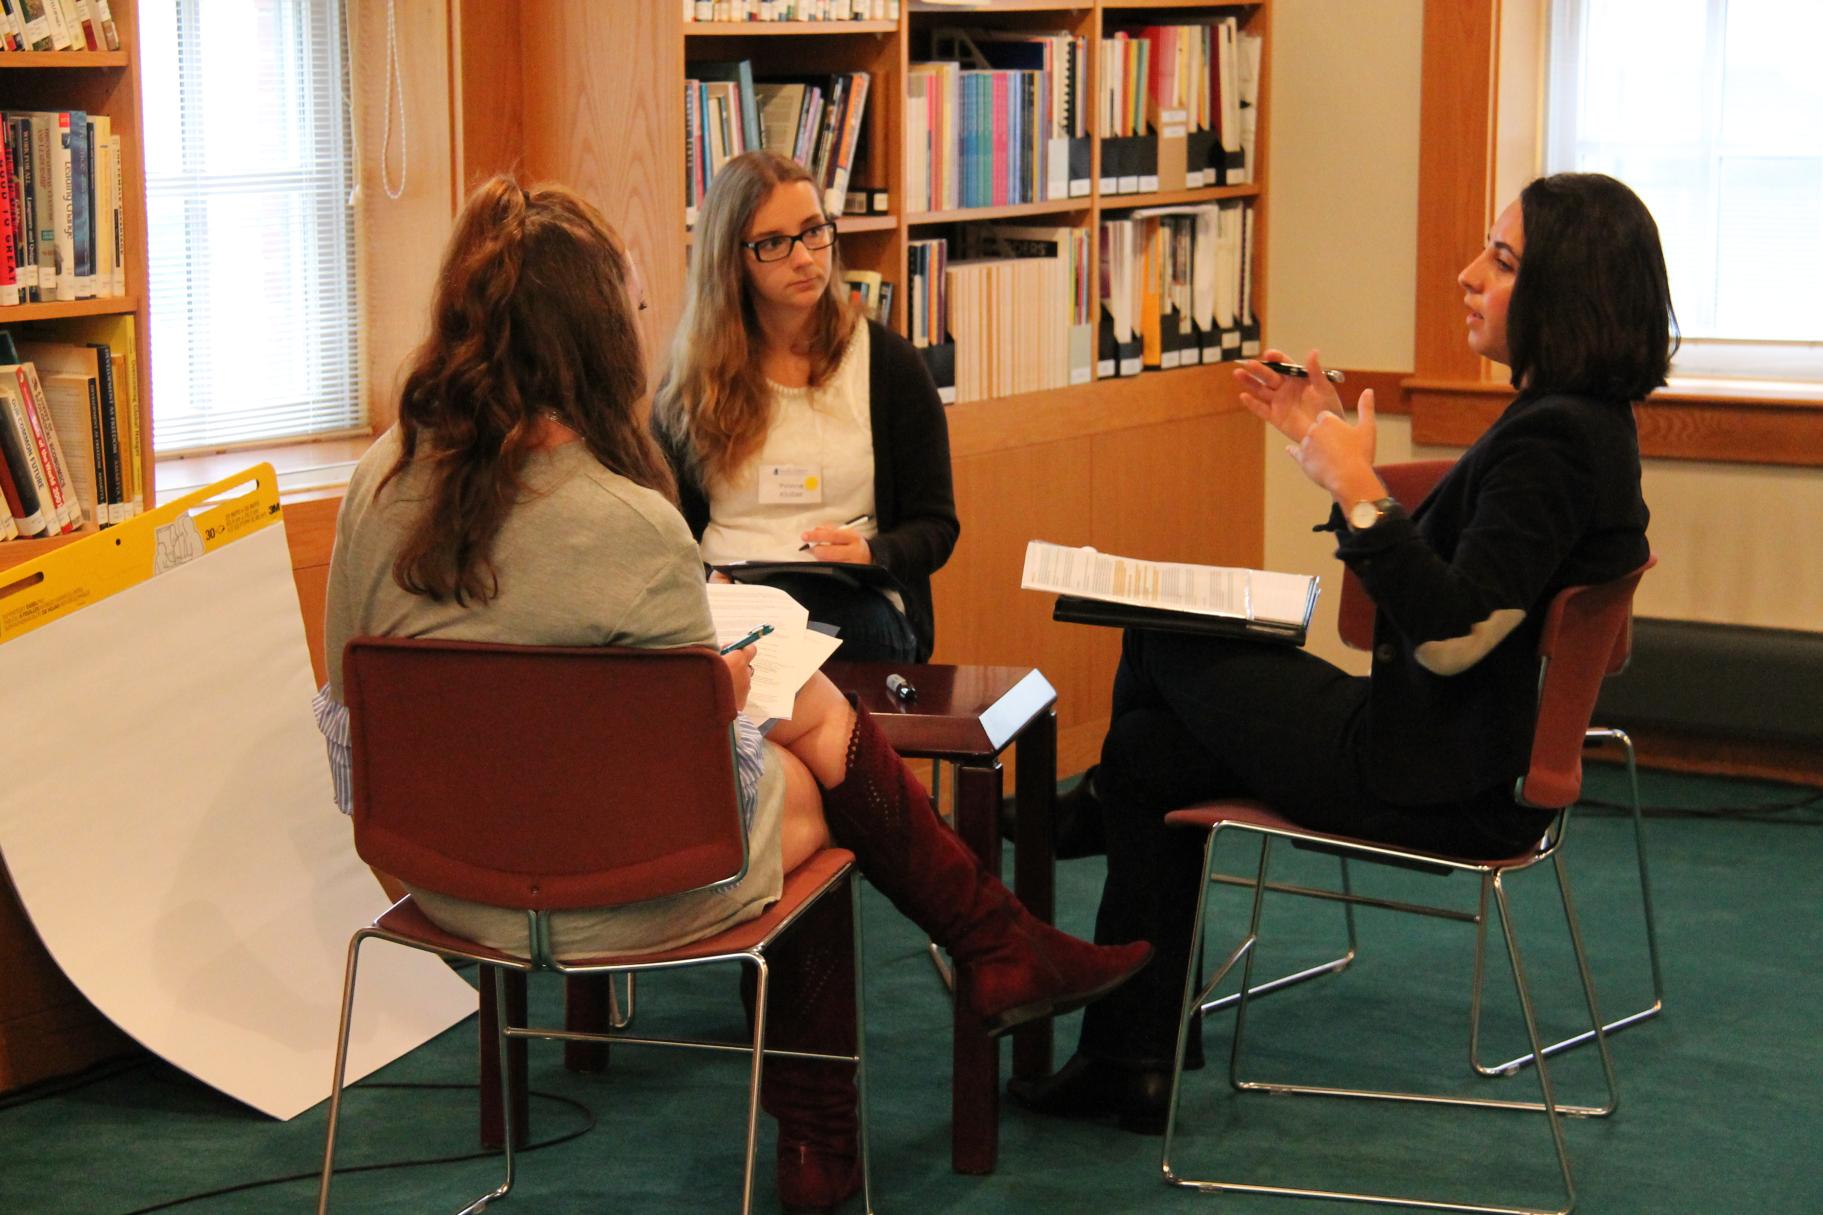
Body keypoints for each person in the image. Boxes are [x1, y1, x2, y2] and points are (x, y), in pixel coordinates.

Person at [313, 178, 1149, 1214]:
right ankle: (838, 1120)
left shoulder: (374, 485)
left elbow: (352, 722)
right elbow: (697, 789)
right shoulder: (626, 522)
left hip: (440, 874)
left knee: (795, 733)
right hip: (615, 883)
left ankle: (992, 950)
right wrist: (716, 694)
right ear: (594, 338)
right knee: (804, 776)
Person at [1009, 172, 1671, 1133]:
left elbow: (1447, 638)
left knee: (1155, 637)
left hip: (1432, 775)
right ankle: (1125, 1048)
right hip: (1446, 747)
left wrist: (1357, 486)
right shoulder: (1581, 421)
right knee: (1154, 752)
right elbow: (1461, 589)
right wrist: (1324, 441)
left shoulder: (1554, 442)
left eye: (1500, 259)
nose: (1466, 274)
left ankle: (1093, 860)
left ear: (1565, 292)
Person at [654, 150, 957, 663]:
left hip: (856, 603)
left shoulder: (889, 365)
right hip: (728, 600)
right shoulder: (692, 383)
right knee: (720, 641)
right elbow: (666, 528)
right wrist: (705, 581)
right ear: (732, 259)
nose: (804, 257)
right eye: (774, 243)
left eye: (815, 231)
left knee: (791, 635)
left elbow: (936, 525)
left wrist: (872, 553)